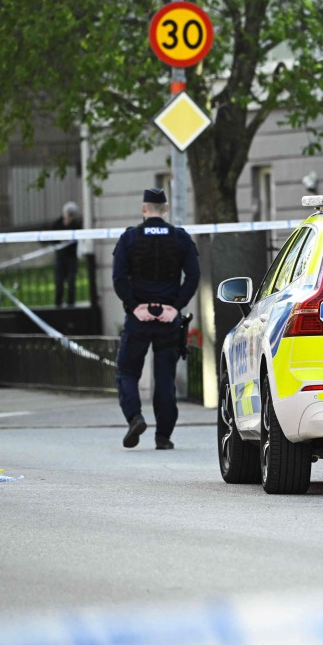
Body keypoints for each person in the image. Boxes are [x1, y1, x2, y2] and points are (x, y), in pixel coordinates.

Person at [112, 188, 200, 450]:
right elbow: (193, 277)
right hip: (168, 320)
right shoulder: (180, 238)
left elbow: (118, 279)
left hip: (139, 319)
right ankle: (163, 436)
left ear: (143, 209)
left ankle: (135, 417)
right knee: (164, 378)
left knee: (127, 371)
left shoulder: (130, 238)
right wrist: (175, 307)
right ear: (166, 208)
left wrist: (135, 305)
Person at [53, 202, 80, 306]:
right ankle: (58, 303)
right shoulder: (57, 224)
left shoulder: (76, 224)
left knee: (71, 281)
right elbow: (50, 238)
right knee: (59, 281)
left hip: (71, 257)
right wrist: (59, 240)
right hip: (60, 257)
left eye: (71, 215)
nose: (69, 217)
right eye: (68, 214)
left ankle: (71, 303)